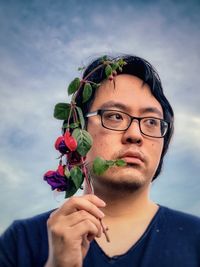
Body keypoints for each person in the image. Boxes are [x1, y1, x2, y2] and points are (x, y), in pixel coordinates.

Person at [0, 55, 199, 267]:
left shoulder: (195, 238)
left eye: (151, 121)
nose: (135, 134)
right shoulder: (21, 241)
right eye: (115, 116)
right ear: (78, 134)